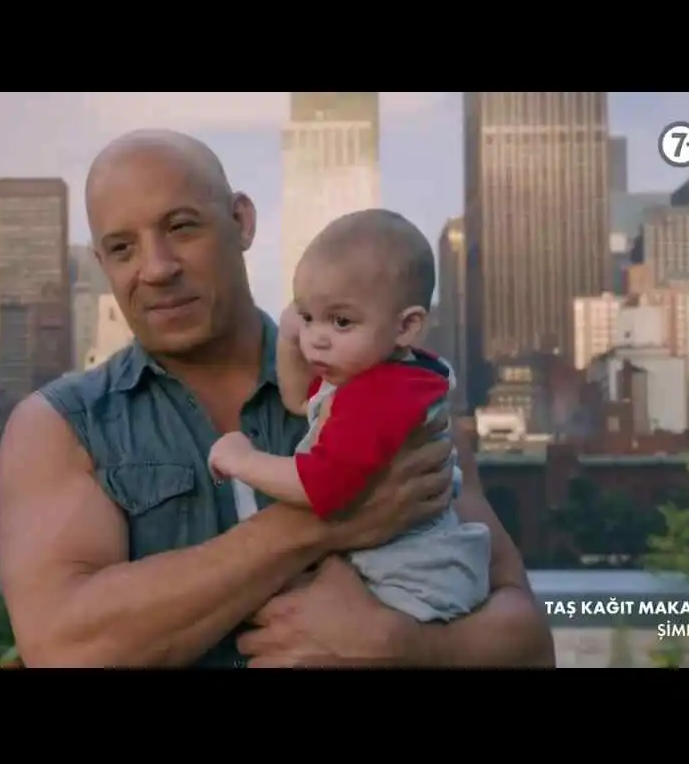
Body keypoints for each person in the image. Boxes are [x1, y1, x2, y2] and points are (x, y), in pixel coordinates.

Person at [0, 129, 555, 668]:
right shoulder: (59, 426)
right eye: (123, 248)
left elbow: (529, 644)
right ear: (103, 265)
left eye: (182, 227)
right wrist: (324, 522)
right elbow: (65, 648)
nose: (158, 268)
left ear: (242, 221)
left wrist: (409, 647)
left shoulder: (395, 385)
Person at [207, 209, 490, 624]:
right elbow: (300, 402)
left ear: (407, 327)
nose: (316, 339)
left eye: (341, 321)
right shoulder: (379, 372)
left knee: (263, 614)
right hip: (409, 574)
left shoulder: (383, 395)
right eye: (308, 317)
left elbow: (320, 486)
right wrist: (289, 341)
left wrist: (241, 460)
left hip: (412, 583)